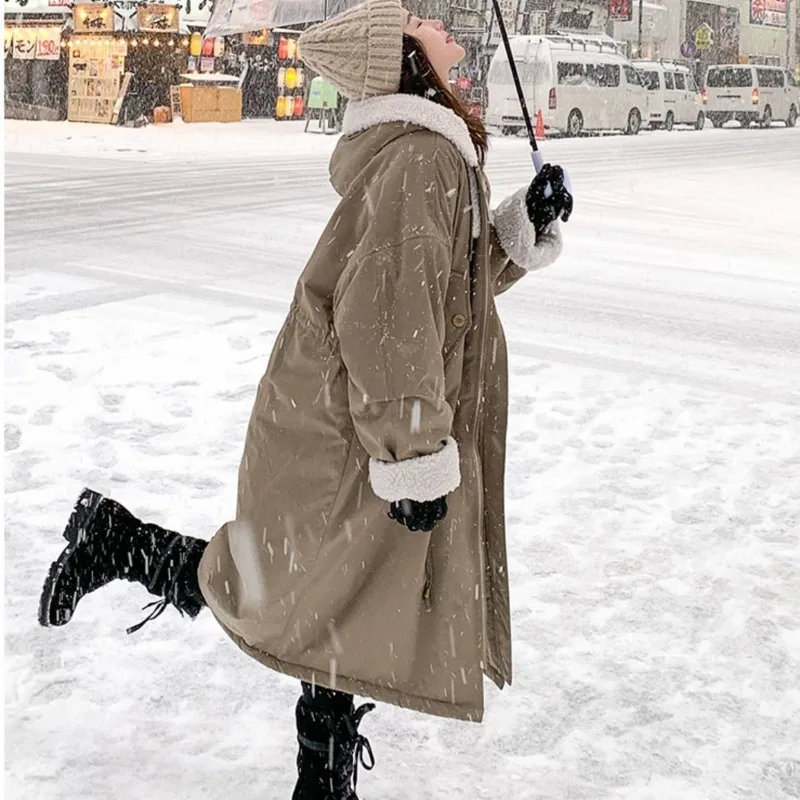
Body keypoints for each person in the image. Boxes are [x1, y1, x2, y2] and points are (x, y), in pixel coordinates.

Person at [37, 2, 573, 798]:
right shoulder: (421, 157)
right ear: (402, 61)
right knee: (302, 600)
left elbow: (440, 297)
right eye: (428, 26)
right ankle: (122, 548)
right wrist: (412, 451)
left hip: (353, 422)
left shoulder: (426, 155)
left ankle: (120, 545)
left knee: (326, 606)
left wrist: (515, 231)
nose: (451, 35)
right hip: (353, 434)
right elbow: (388, 320)